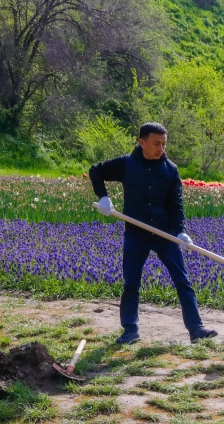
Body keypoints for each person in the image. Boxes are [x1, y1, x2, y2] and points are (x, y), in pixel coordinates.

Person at [90, 122, 217, 345]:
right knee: (131, 283)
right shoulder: (126, 165)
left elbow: (176, 206)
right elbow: (95, 171)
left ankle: (196, 329)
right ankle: (130, 330)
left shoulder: (170, 170)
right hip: (136, 234)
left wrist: (181, 232)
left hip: (165, 234)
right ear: (142, 142)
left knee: (182, 280)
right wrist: (103, 196)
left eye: (164, 144)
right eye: (156, 143)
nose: (161, 149)